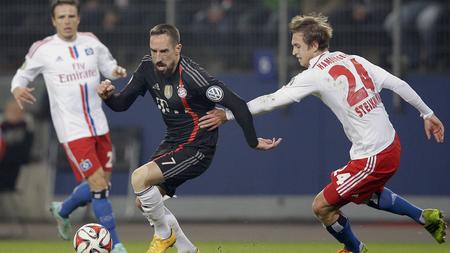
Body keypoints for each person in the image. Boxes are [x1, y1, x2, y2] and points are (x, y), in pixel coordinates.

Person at [199, 13, 446, 253]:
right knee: (367, 194)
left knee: (322, 207)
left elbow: (271, 100)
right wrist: (427, 114)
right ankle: (425, 217)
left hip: (374, 155)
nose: (294, 51)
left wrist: (229, 115)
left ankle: (355, 249)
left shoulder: (314, 75)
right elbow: (397, 83)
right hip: (388, 145)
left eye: (297, 45)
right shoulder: (354, 59)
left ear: (314, 44)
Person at [97, 23, 281, 253]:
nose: (158, 57)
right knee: (144, 201)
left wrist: (252, 141)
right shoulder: (147, 68)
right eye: (154, 51)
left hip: (198, 147)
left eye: (164, 51)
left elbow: (239, 105)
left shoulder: (194, 77)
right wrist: (108, 96)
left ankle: (164, 235)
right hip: (173, 142)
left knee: (139, 178)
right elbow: (121, 104)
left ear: (178, 49)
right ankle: (187, 249)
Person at [10, 1, 128, 252]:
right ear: (53, 21)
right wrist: (18, 88)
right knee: (98, 186)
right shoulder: (43, 49)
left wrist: (116, 72)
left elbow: (109, 67)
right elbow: (21, 76)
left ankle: (62, 210)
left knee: (102, 185)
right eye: (61, 16)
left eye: (70, 16)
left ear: (78, 18)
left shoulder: (91, 42)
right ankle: (115, 245)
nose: (66, 20)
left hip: (99, 124)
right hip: (72, 130)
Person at [0, 99, 34, 192]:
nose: (13, 115)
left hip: (19, 162)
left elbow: (26, 149)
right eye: (11, 112)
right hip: (3, 161)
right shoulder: (2, 126)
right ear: (6, 112)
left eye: (17, 112)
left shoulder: (27, 127)